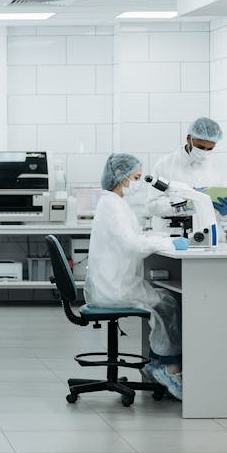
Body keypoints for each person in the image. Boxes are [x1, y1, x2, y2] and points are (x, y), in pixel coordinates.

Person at [86, 153, 188, 400]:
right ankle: (168, 368)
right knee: (167, 303)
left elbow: (134, 238)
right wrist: (169, 244)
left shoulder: (114, 202)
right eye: (136, 177)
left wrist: (161, 240)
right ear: (121, 178)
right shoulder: (112, 205)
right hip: (114, 290)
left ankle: (157, 365)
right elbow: (133, 245)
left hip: (113, 283)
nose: (139, 183)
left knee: (163, 298)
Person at [147, 117, 227, 225]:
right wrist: (187, 203)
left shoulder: (218, 166)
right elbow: (152, 206)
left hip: (208, 231)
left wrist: (226, 212)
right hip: (174, 233)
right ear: (189, 138)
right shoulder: (165, 164)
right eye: (201, 147)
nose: (204, 152)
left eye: (210, 149)